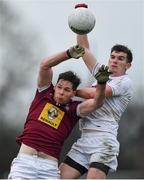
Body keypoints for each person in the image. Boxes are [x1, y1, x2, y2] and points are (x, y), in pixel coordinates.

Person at [8, 44, 110, 179]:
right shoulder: (44, 93)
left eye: (67, 90)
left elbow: (98, 102)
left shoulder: (75, 109)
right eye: (60, 87)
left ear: (74, 93)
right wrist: (68, 54)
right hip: (24, 164)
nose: (61, 92)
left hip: (49, 169)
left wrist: (102, 83)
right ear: (55, 87)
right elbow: (44, 65)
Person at [60, 34, 133, 179]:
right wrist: (81, 22)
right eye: (112, 57)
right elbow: (84, 50)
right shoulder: (103, 73)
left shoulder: (125, 82)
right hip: (85, 139)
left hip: (104, 140)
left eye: (120, 58)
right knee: (60, 177)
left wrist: (69, 91)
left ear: (128, 65)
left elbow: (97, 93)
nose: (115, 61)